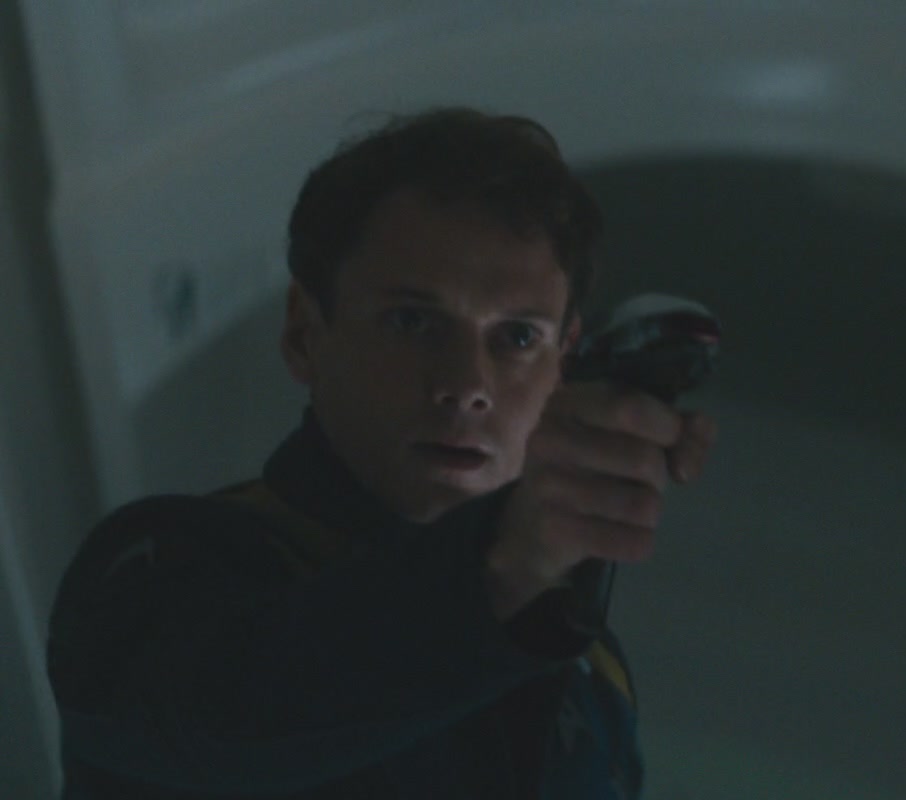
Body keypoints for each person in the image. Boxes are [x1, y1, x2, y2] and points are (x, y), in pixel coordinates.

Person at [46, 108, 716, 798]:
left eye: (518, 338)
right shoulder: (159, 571)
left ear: (563, 363)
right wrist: (502, 571)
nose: (467, 385)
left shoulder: (589, 667)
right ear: (305, 334)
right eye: (413, 321)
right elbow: (241, 711)